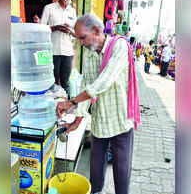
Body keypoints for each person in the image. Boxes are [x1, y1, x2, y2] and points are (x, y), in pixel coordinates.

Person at [55, 13, 140, 194]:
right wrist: (78, 119)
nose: (82, 43)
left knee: (122, 172)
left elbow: (103, 83)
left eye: (83, 38)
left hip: (120, 121)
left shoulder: (120, 46)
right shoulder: (90, 52)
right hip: (100, 121)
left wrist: (71, 102)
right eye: (78, 39)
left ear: (96, 31)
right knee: (95, 173)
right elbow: (87, 83)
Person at [40, 0, 77, 97]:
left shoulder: (72, 12)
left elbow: (76, 33)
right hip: (52, 52)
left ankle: (65, 109)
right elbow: (41, 29)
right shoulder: (49, 8)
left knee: (65, 83)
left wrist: (70, 31)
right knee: (52, 83)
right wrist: (56, 28)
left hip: (67, 52)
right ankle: (52, 109)